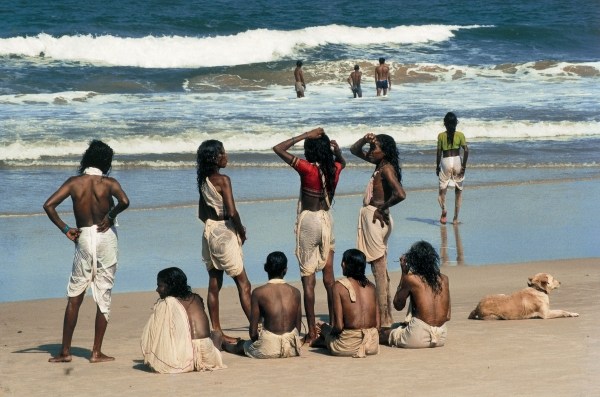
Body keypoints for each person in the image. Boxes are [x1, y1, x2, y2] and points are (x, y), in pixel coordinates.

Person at [43, 139, 130, 363]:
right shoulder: (109, 183)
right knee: (103, 293)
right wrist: (110, 217)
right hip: (105, 238)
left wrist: (65, 229)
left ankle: (65, 351)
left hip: (83, 236)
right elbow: (124, 201)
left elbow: (48, 205)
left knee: (75, 295)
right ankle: (96, 352)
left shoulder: (74, 182)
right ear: (106, 162)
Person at [273, 127, 346, 345]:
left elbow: (278, 148)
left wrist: (305, 135)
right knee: (329, 278)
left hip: (309, 222)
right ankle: (335, 324)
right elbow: (344, 161)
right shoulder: (335, 168)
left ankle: (312, 331)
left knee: (308, 279)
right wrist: (337, 151)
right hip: (327, 219)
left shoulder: (307, 170)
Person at [197, 140, 252, 344]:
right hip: (223, 231)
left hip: (209, 231)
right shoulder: (223, 180)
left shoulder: (203, 180)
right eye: (223, 153)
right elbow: (232, 211)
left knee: (215, 283)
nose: (226, 156)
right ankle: (256, 329)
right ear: (215, 157)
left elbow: (202, 213)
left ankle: (217, 331)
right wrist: (241, 231)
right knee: (244, 284)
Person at [350, 133, 406, 328]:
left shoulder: (386, 168)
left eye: (375, 148)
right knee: (380, 269)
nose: (372, 151)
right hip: (378, 217)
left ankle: (384, 320)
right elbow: (353, 150)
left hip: (376, 217)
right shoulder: (380, 164)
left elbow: (401, 194)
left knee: (379, 269)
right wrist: (365, 139)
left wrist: (381, 208)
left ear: (385, 151)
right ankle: (384, 315)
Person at [141, 267, 226, 373]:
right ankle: (219, 345)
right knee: (215, 335)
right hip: (208, 357)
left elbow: (160, 333)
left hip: (184, 357)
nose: (157, 290)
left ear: (171, 286)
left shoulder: (168, 303)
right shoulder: (196, 298)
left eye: (159, 286)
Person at [222, 251, 303, 358]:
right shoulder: (296, 292)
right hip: (291, 348)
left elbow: (253, 333)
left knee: (242, 345)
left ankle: (224, 345)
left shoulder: (258, 292)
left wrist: (259, 341)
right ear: (285, 270)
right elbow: (298, 328)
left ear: (265, 268)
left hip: (269, 348)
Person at [380, 241, 451, 348]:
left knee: (383, 334)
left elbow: (398, 305)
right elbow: (448, 316)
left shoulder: (412, 279)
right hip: (441, 336)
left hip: (418, 336)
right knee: (394, 326)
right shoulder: (444, 279)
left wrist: (404, 273)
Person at [314, 249, 380, 358]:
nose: (341, 264)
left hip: (347, 346)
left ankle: (322, 340)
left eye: (343, 262)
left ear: (345, 264)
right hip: (371, 345)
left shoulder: (338, 287)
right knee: (328, 331)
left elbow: (339, 326)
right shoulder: (372, 287)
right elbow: (377, 325)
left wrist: (327, 331)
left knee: (323, 328)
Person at [436, 112, 469, 225]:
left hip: (445, 160)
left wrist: (437, 166)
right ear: (456, 123)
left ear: (444, 123)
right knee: (458, 191)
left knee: (442, 190)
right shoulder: (460, 135)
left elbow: (438, 153)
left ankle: (444, 209)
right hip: (457, 161)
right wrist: (463, 166)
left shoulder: (441, 136)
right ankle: (455, 219)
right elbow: (466, 150)